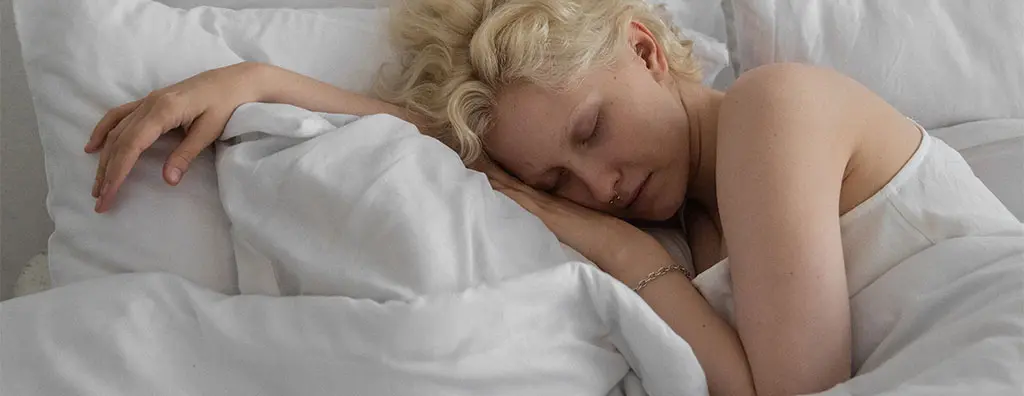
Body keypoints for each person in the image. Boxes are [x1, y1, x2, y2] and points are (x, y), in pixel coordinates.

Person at [83, 0, 1020, 395]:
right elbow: (464, 165)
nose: (597, 187)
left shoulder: (775, 110)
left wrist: (625, 257)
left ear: (647, 49)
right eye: (560, 185)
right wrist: (260, 83)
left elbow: (789, 392)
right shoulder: (690, 225)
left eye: (590, 132)